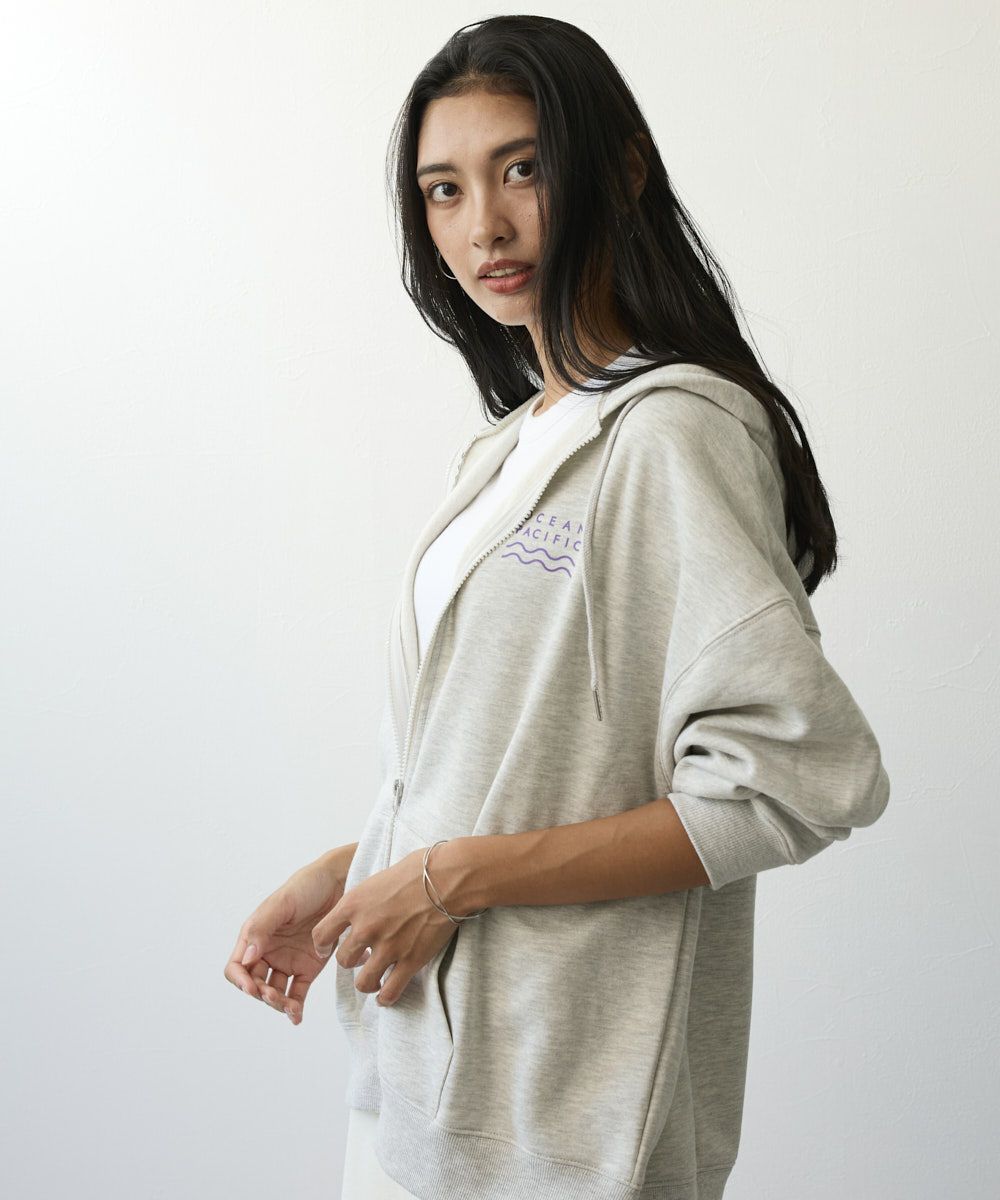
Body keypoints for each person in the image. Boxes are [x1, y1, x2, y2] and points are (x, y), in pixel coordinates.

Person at [224, 16, 891, 1200]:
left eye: (521, 169)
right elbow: (515, 760)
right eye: (444, 189)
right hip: (418, 1092)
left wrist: (449, 879)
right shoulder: (508, 450)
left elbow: (794, 780)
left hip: (564, 1128)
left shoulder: (669, 435)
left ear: (621, 172)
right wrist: (357, 869)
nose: (483, 225)